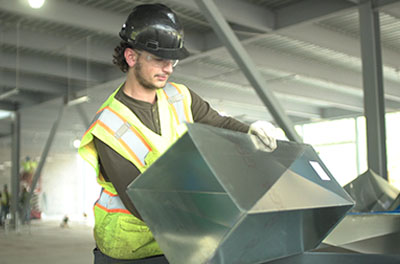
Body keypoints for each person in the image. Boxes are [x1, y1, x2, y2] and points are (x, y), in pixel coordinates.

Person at [78, 4, 277, 263]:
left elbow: (218, 123)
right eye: (159, 59)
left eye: (172, 60)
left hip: (178, 239)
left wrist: (250, 129)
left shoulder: (179, 96)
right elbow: (141, 202)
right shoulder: (109, 125)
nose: (169, 68)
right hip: (131, 249)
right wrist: (215, 217)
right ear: (131, 57)